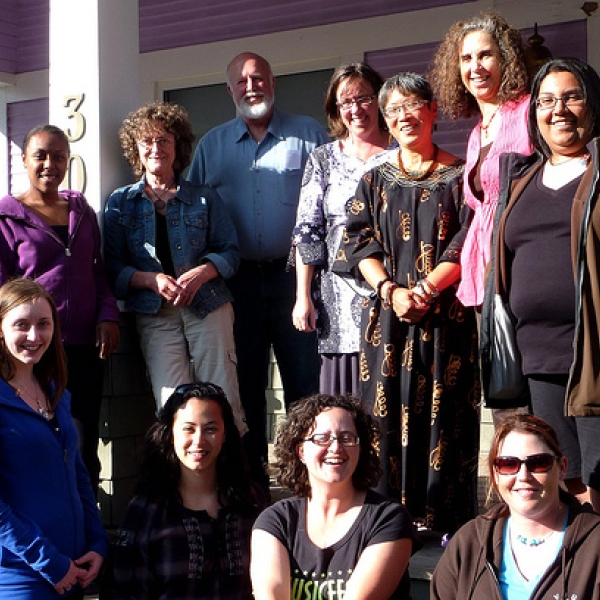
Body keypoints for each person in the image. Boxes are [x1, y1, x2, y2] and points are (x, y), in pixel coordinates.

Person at [333, 73, 480, 533]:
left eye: (413, 105)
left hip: (446, 323)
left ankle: (445, 522)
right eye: (393, 110)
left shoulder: (462, 177)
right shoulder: (374, 180)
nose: (404, 116)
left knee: (446, 415)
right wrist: (392, 292)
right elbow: (357, 244)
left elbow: (469, 241)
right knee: (383, 417)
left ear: (433, 110)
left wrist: (427, 289)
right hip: (388, 322)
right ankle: (385, 524)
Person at [188, 52, 329, 492]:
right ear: (230, 90)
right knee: (245, 386)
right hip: (238, 283)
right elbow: (193, 214)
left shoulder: (307, 135)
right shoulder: (212, 145)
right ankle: (251, 488)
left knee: (304, 383)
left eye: (259, 78)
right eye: (242, 81)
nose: (252, 86)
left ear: (273, 82)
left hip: (297, 280)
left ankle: (308, 483)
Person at [481, 58, 600, 511]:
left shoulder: (599, 168)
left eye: (572, 97)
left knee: (598, 475)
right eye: (547, 101)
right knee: (563, 477)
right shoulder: (522, 179)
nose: (559, 110)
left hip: (592, 353)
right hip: (538, 357)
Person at [103, 102, 246, 433]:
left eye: (164, 140)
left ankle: (230, 481)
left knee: (222, 397)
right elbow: (113, 267)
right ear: (135, 148)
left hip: (208, 305)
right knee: (171, 403)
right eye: (147, 141)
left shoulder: (204, 197)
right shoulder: (120, 202)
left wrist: (203, 272)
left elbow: (230, 251)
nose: (156, 149)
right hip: (156, 315)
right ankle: (183, 481)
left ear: (177, 146)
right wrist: (151, 280)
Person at [0, 124, 120, 493]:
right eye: (40, 156)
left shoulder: (82, 214)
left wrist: (107, 315)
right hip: (34, 348)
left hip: (84, 346)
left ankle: (89, 522)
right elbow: (3, 288)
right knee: (39, 433)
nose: (50, 163)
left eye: (58, 156)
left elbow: (99, 272)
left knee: (82, 433)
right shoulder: (7, 217)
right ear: (24, 161)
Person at [251, 394, 420, 600]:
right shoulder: (275, 521)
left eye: (347, 438)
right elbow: (271, 595)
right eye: (321, 438)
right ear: (301, 451)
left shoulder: (388, 518)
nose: (335, 448)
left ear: (360, 448)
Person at [101, 381, 261, 599]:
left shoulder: (250, 501)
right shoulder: (147, 510)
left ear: (225, 435)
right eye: (188, 429)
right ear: (170, 434)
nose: (199, 440)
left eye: (210, 429)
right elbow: (123, 591)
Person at [292, 62, 396, 396]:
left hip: (392, 288)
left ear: (379, 100)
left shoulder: (402, 152)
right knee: (343, 398)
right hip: (336, 296)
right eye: (345, 102)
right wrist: (302, 296)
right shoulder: (322, 159)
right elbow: (307, 230)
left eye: (363, 98)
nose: (355, 110)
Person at [0, 278, 108, 599]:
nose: (34, 336)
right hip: (22, 578)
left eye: (43, 324)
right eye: (21, 324)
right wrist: (48, 561)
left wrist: (97, 542)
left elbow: (78, 476)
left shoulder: (57, 395)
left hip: (74, 571)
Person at [431, 414, 600, 600]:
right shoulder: (469, 543)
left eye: (538, 463)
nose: (524, 476)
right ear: (495, 474)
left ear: (562, 468)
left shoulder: (594, 545)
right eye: (508, 464)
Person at [429, 11, 532, 309]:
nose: (475, 67)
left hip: (520, 263)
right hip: (484, 272)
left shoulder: (527, 112)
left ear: (506, 60)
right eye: (466, 58)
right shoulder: (476, 135)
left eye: (485, 55)